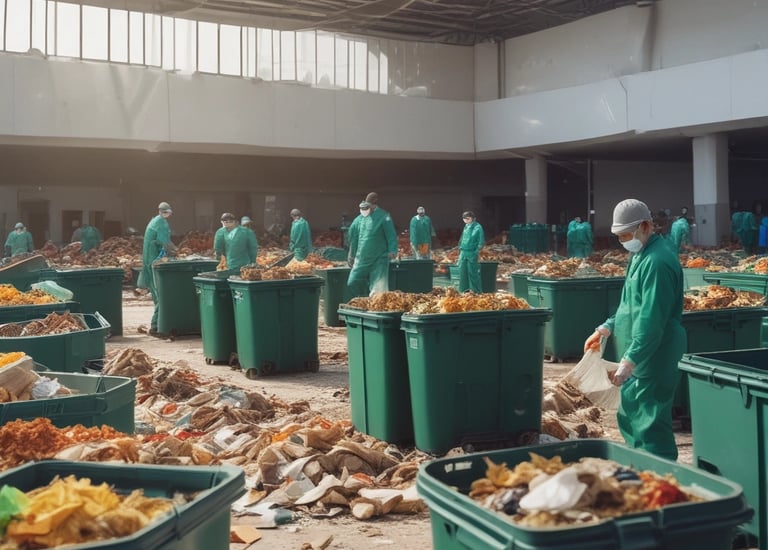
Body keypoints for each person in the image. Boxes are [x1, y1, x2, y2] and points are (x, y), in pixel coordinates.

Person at [584, 198, 685, 461]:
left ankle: (661, 480)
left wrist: (630, 360)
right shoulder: (639, 255)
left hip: (653, 355)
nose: (623, 241)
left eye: (626, 235)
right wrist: (606, 328)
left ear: (645, 226)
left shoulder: (658, 262)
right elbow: (630, 305)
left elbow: (652, 320)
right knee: (632, 416)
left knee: (650, 425)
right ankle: (641, 473)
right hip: (638, 352)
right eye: (619, 236)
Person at [347, 192, 398, 296]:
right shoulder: (359, 219)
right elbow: (353, 237)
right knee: (352, 282)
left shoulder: (384, 217)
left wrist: (393, 250)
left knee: (378, 292)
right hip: (361, 258)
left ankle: (375, 310)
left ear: (374, 204)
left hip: (379, 258)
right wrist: (351, 255)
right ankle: (363, 299)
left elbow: (391, 235)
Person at [140, 202, 176, 336]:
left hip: (151, 260)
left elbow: (165, 241)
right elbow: (164, 242)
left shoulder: (156, 221)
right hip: (154, 260)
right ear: (162, 211)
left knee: (157, 294)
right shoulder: (161, 223)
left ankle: (159, 323)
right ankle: (155, 326)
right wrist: (175, 251)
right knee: (161, 294)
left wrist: (174, 249)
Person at [458, 211, 485, 293]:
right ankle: (463, 291)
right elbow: (462, 238)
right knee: (463, 272)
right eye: (464, 219)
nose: (466, 220)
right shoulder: (466, 226)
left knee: (472, 272)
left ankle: (476, 291)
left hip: (472, 252)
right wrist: (459, 247)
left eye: (468, 218)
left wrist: (476, 251)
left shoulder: (478, 227)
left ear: (473, 218)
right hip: (463, 252)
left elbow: (481, 240)